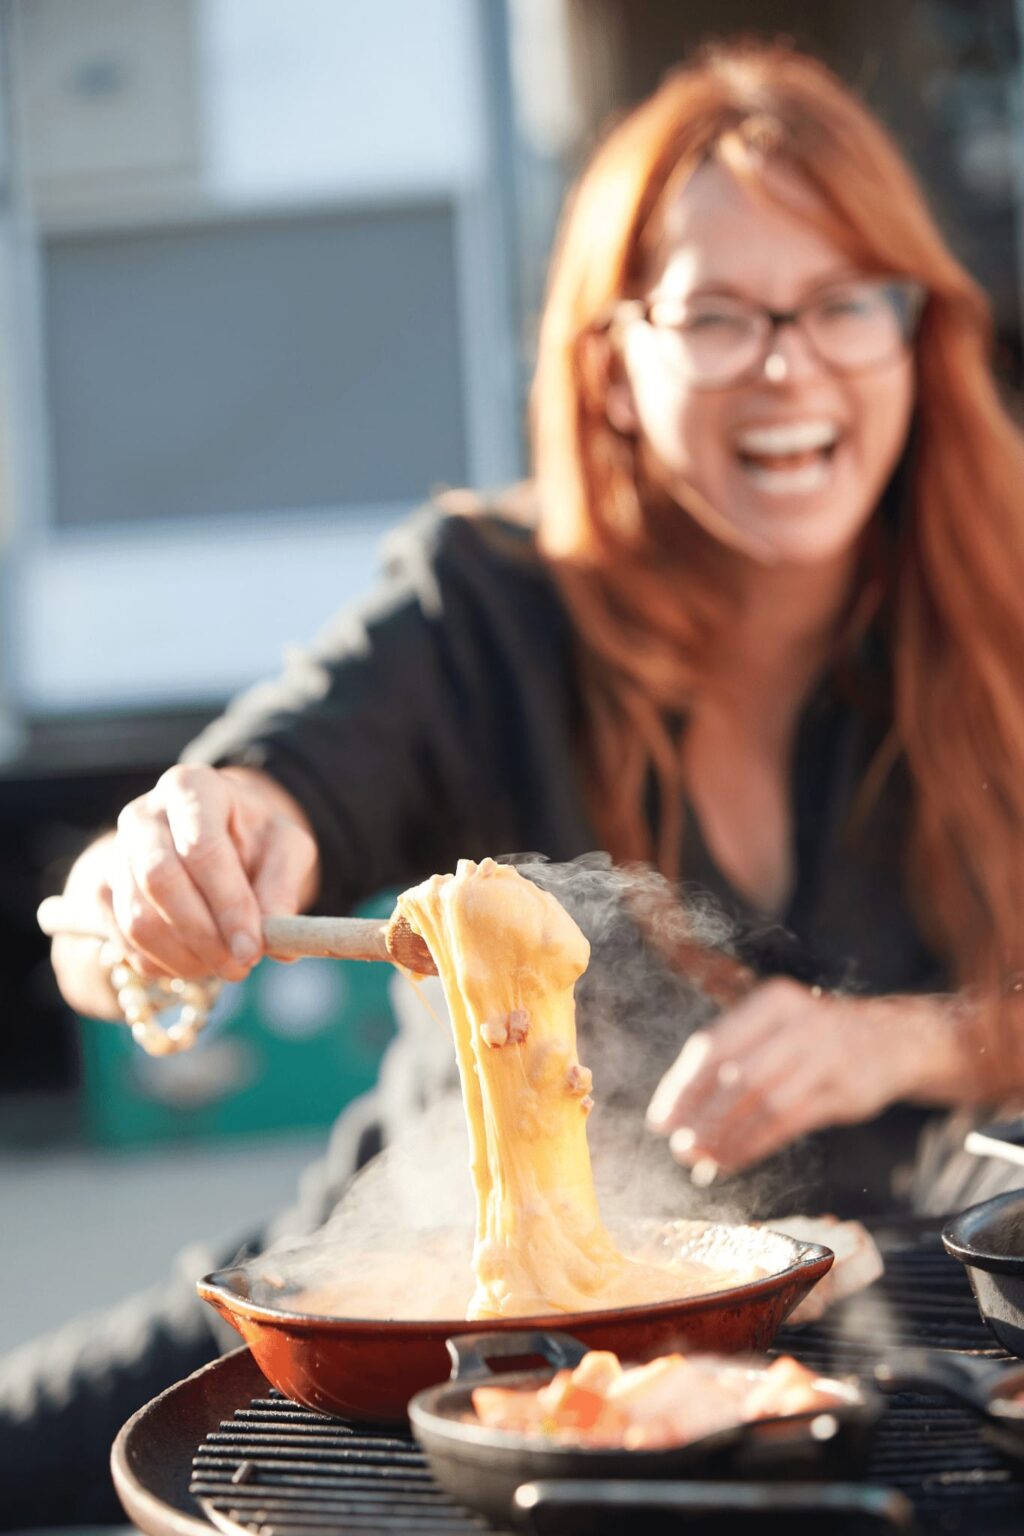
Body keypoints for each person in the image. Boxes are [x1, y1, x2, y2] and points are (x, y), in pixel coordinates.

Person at [9, 37, 1024, 1525]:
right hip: (396, 1320)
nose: (790, 361)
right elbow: (269, 800)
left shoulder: (999, 613)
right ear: (615, 362)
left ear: (914, 335)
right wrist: (169, 881)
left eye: (841, 304)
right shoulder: (483, 600)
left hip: (849, 1345)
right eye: (720, 312)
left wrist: (902, 1046)